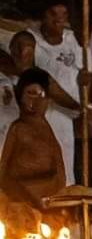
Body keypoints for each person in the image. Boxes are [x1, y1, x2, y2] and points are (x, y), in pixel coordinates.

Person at [0, 68, 67, 223]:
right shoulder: (16, 129)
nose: (34, 101)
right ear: (20, 96)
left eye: (40, 95)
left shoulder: (48, 129)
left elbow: (59, 172)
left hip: (48, 204)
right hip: (20, 204)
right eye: (30, 94)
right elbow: (2, 172)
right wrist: (25, 196)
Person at [29, 0, 84, 184]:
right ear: (43, 16)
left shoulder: (73, 40)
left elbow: (84, 73)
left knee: (64, 166)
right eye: (53, 14)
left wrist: (86, 81)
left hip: (65, 118)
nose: (59, 19)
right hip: (40, 114)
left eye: (64, 14)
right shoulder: (31, 40)